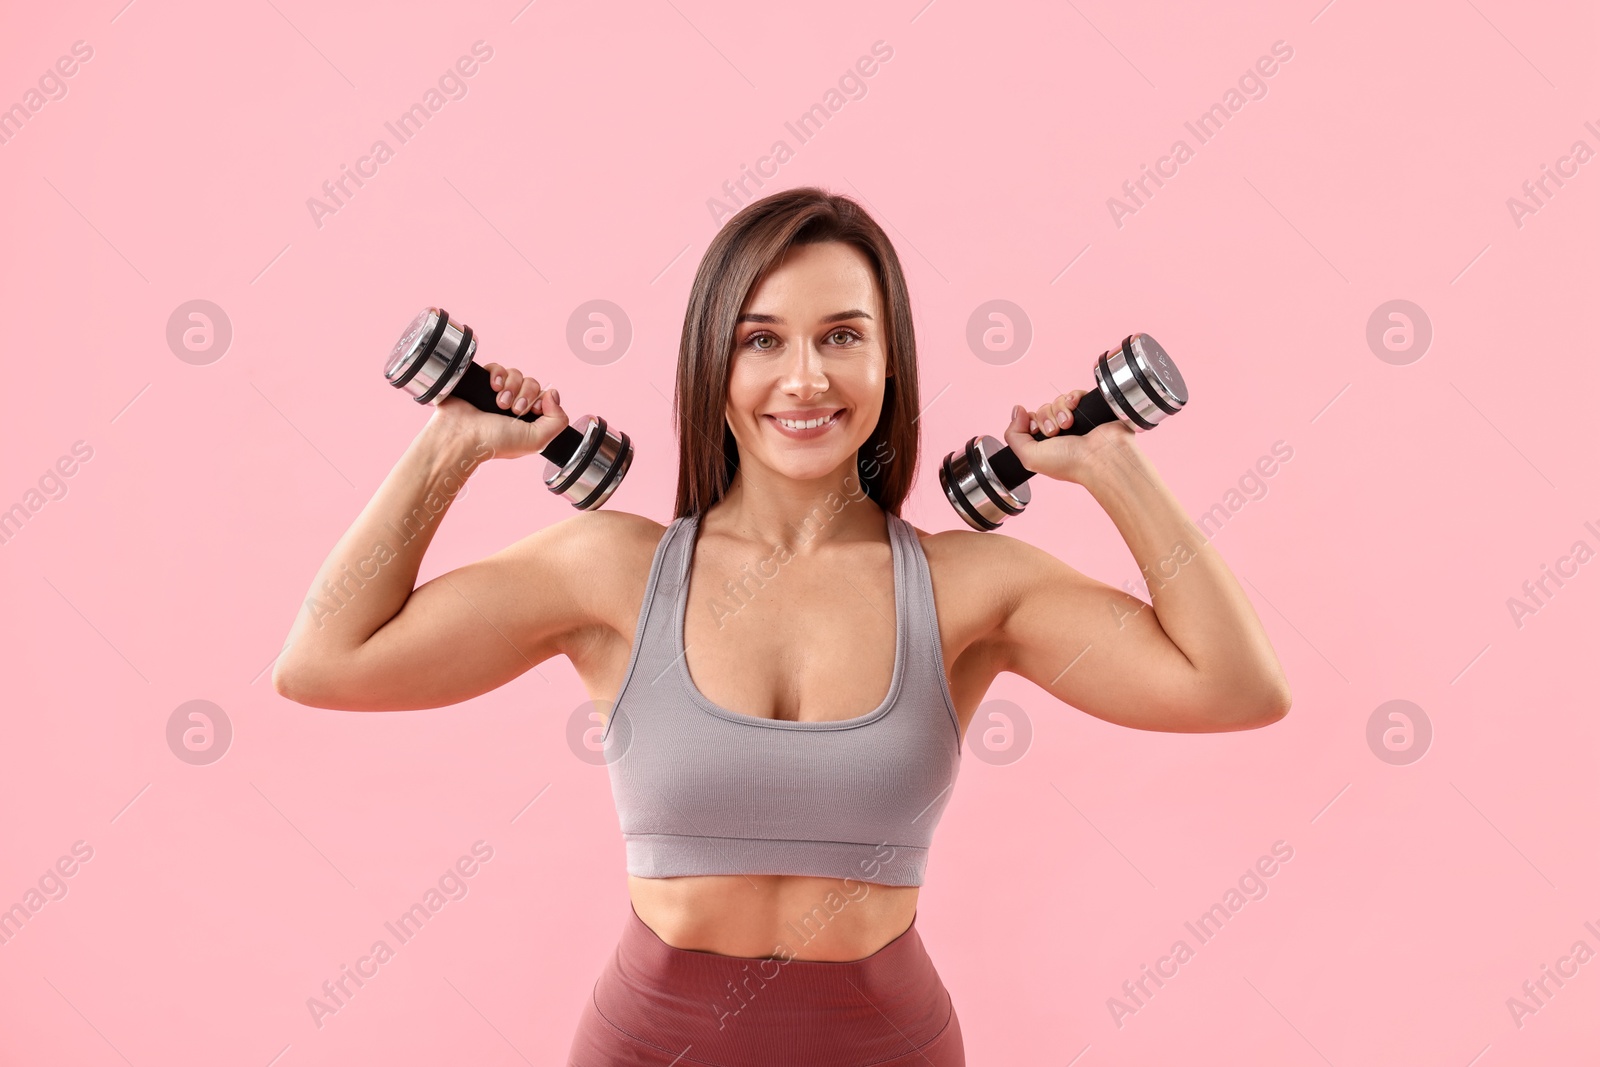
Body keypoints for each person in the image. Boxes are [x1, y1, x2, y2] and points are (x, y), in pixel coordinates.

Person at [272, 187, 1292, 1065]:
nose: (804, 378)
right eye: (762, 339)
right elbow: (326, 660)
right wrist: (451, 443)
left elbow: (1236, 688)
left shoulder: (970, 587)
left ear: (891, 362)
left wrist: (1113, 465)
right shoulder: (610, 569)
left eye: (842, 335)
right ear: (711, 362)